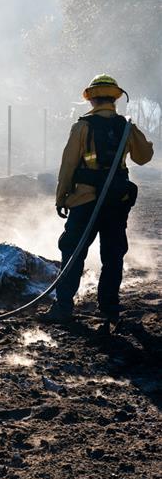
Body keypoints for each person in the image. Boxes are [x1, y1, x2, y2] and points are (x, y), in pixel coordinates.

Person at [39, 74, 153, 326]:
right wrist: (142, 139)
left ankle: (64, 307)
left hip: (84, 201)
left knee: (73, 252)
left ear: (91, 100)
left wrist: (61, 198)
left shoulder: (82, 126)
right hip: (116, 201)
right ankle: (110, 309)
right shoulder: (126, 127)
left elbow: (68, 164)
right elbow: (144, 157)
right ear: (114, 99)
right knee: (113, 256)